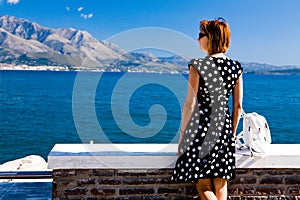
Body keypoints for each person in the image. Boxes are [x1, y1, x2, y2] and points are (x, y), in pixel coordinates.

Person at [171, 17, 243, 200]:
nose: (197, 39)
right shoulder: (235, 67)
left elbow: (190, 103)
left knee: (203, 185)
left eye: (200, 35)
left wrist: (182, 134)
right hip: (224, 128)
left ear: (211, 38)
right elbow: (238, 106)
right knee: (221, 184)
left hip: (201, 129)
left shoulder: (199, 65)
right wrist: (232, 135)